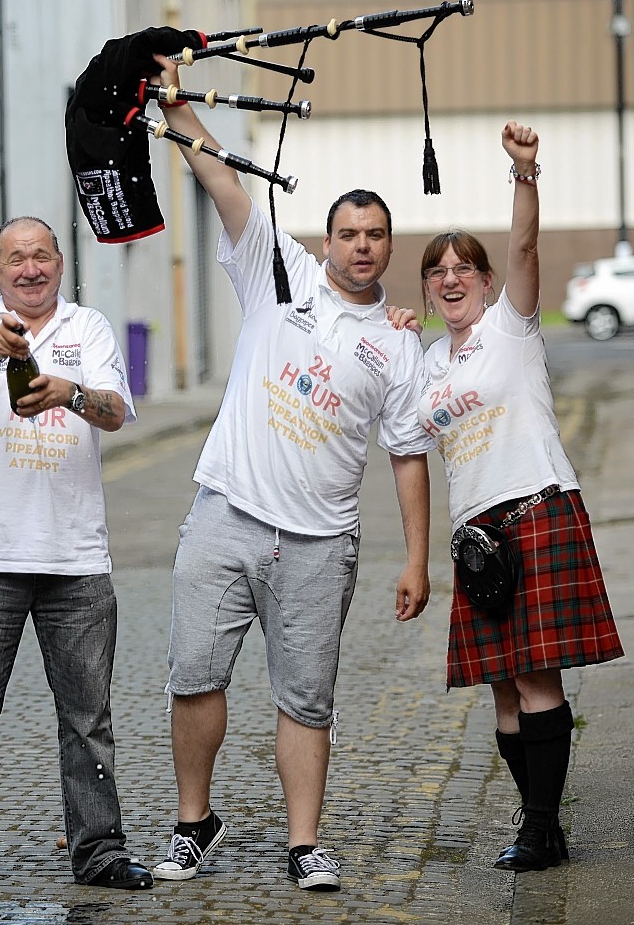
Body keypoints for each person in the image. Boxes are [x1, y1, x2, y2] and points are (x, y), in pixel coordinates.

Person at [147, 56, 433, 892]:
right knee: (194, 676)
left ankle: (304, 843)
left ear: (387, 246)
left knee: (305, 700)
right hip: (225, 515)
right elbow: (221, 176)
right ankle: (193, 824)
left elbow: (408, 457)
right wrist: (176, 100)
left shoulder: (397, 344)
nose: (361, 246)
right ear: (326, 240)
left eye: (375, 235)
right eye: (348, 233)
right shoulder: (280, 273)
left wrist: (417, 561)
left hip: (319, 544)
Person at [0, 216, 153, 895]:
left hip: (76, 558)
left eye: (41, 256)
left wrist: (68, 393)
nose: (29, 268)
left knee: (87, 719)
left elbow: (114, 409)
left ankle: (100, 851)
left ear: (59, 262)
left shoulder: (89, 327)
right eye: (15, 258)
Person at [416, 121, 624, 872]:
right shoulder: (426, 366)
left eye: (462, 268)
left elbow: (526, 251)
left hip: (536, 512)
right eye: (436, 271)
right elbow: (405, 447)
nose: (449, 278)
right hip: (479, 540)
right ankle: (542, 824)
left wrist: (523, 175)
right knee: (502, 692)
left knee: (536, 679)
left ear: (484, 282)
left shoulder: (513, 327)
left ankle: (539, 830)